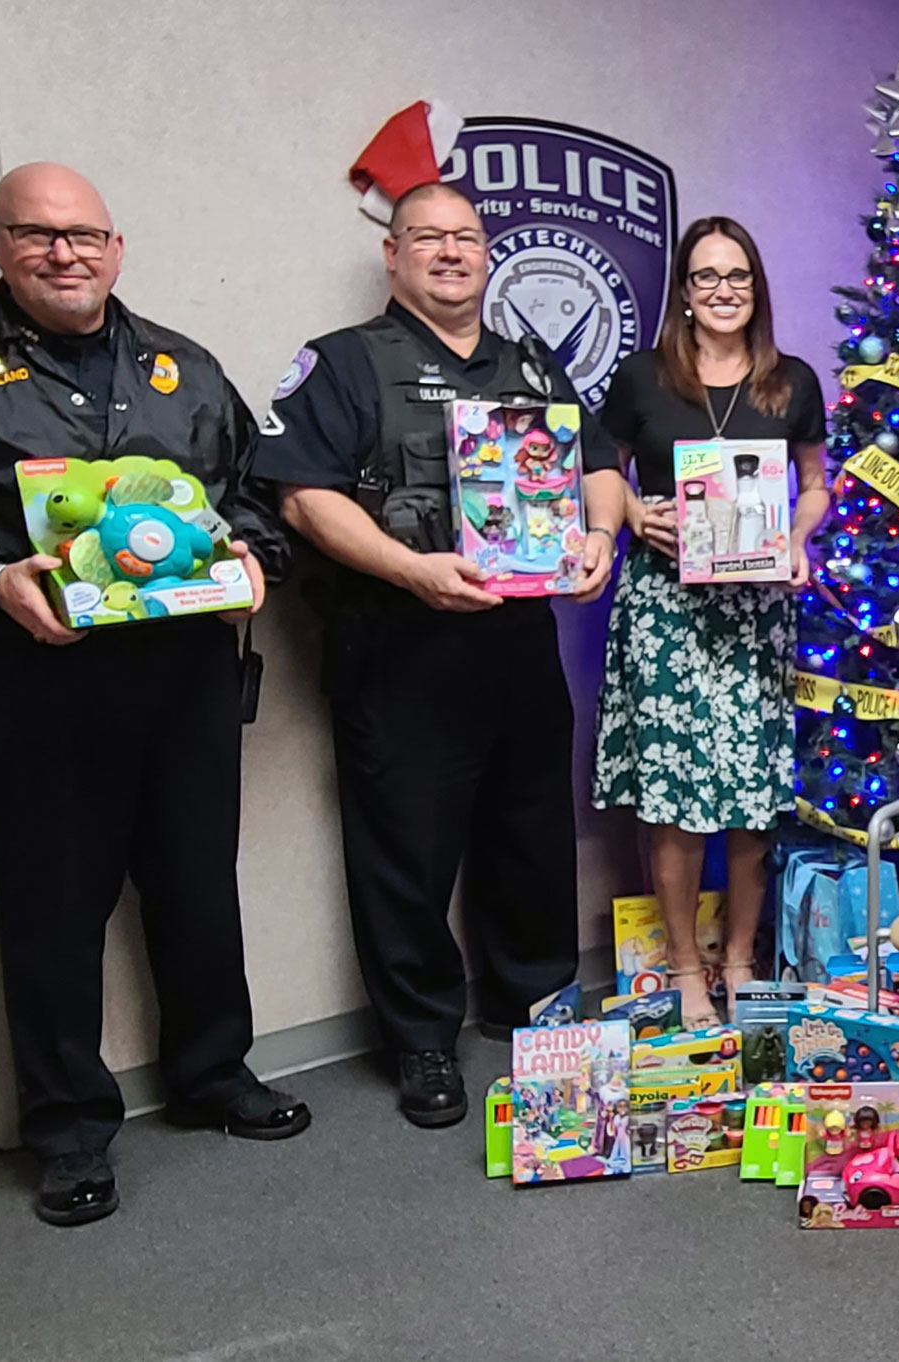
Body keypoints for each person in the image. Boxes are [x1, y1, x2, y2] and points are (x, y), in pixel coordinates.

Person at [0, 163, 309, 1228]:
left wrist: (256, 560)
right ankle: (70, 1131)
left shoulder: (183, 367)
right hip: (38, 683)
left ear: (118, 246)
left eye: (84, 234)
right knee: (52, 915)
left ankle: (214, 1076)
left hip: (186, 679)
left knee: (196, 885)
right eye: (38, 235)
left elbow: (255, 497)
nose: (64, 253)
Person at [255, 181, 626, 1129]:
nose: (450, 252)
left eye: (466, 237)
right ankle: (423, 1040)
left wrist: (599, 537)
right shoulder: (342, 365)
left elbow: (598, 465)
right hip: (401, 645)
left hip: (516, 643)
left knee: (531, 832)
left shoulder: (530, 361)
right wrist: (410, 569)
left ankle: (536, 1004)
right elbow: (302, 495)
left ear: (486, 250)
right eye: (428, 237)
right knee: (406, 855)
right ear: (393, 254)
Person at [590, 216, 829, 1028]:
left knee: (752, 802)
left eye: (738, 276)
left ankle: (740, 960)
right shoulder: (643, 378)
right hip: (666, 610)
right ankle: (687, 969)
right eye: (706, 277)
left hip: (755, 615)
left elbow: (815, 482)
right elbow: (599, 468)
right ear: (685, 293)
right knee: (675, 800)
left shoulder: (791, 380)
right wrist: (630, 515)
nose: (723, 290)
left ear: (755, 288)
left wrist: (798, 537)